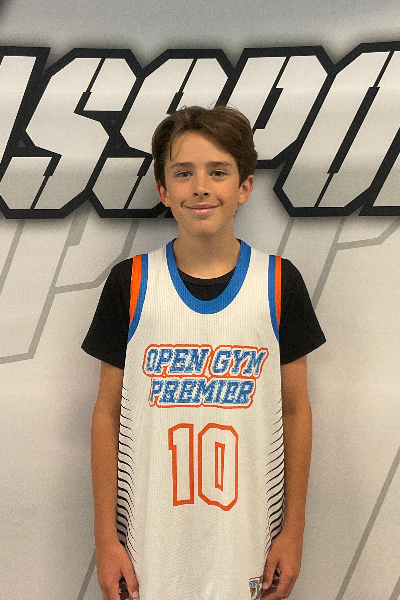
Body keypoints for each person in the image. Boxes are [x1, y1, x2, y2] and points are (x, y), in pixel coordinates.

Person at [82, 105, 325, 600]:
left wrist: (294, 532)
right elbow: (106, 413)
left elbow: (296, 411)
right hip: (149, 546)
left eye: (218, 172)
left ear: (245, 187)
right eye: (183, 173)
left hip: (248, 542)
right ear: (162, 190)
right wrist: (106, 539)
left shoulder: (279, 282)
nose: (200, 187)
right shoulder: (131, 282)